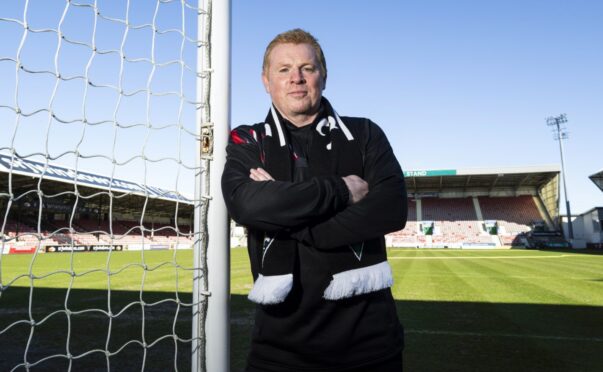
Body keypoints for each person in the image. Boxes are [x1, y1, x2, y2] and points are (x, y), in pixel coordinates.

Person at [222, 28, 407, 372]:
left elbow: (391, 208)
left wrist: (293, 220)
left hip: (370, 347)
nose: (296, 78)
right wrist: (341, 191)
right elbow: (247, 204)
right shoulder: (249, 139)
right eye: (284, 69)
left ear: (323, 75)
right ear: (266, 80)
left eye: (307, 68)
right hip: (279, 351)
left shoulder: (364, 133)